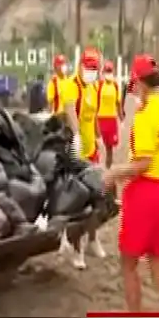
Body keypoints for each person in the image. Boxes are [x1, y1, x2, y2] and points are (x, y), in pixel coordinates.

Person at [103, 54, 159, 313]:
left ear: (139, 82)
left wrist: (114, 172)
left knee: (128, 264)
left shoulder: (147, 114)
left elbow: (144, 163)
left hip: (146, 193)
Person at [59, 47, 106, 269]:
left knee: (97, 196)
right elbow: (70, 111)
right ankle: (77, 249)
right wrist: (76, 135)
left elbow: (93, 115)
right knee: (80, 200)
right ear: (80, 67)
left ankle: (93, 239)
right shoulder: (71, 85)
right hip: (74, 148)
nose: (91, 72)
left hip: (90, 149)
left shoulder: (94, 87)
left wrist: (98, 138)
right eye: (88, 68)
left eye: (94, 69)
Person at [96, 60, 122, 169]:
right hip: (101, 119)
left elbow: (118, 103)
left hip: (111, 119)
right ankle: (98, 168)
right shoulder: (99, 85)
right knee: (100, 146)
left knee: (110, 148)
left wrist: (122, 118)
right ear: (103, 72)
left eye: (110, 71)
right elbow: (95, 103)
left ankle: (108, 167)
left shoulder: (115, 86)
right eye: (107, 71)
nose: (109, 73)